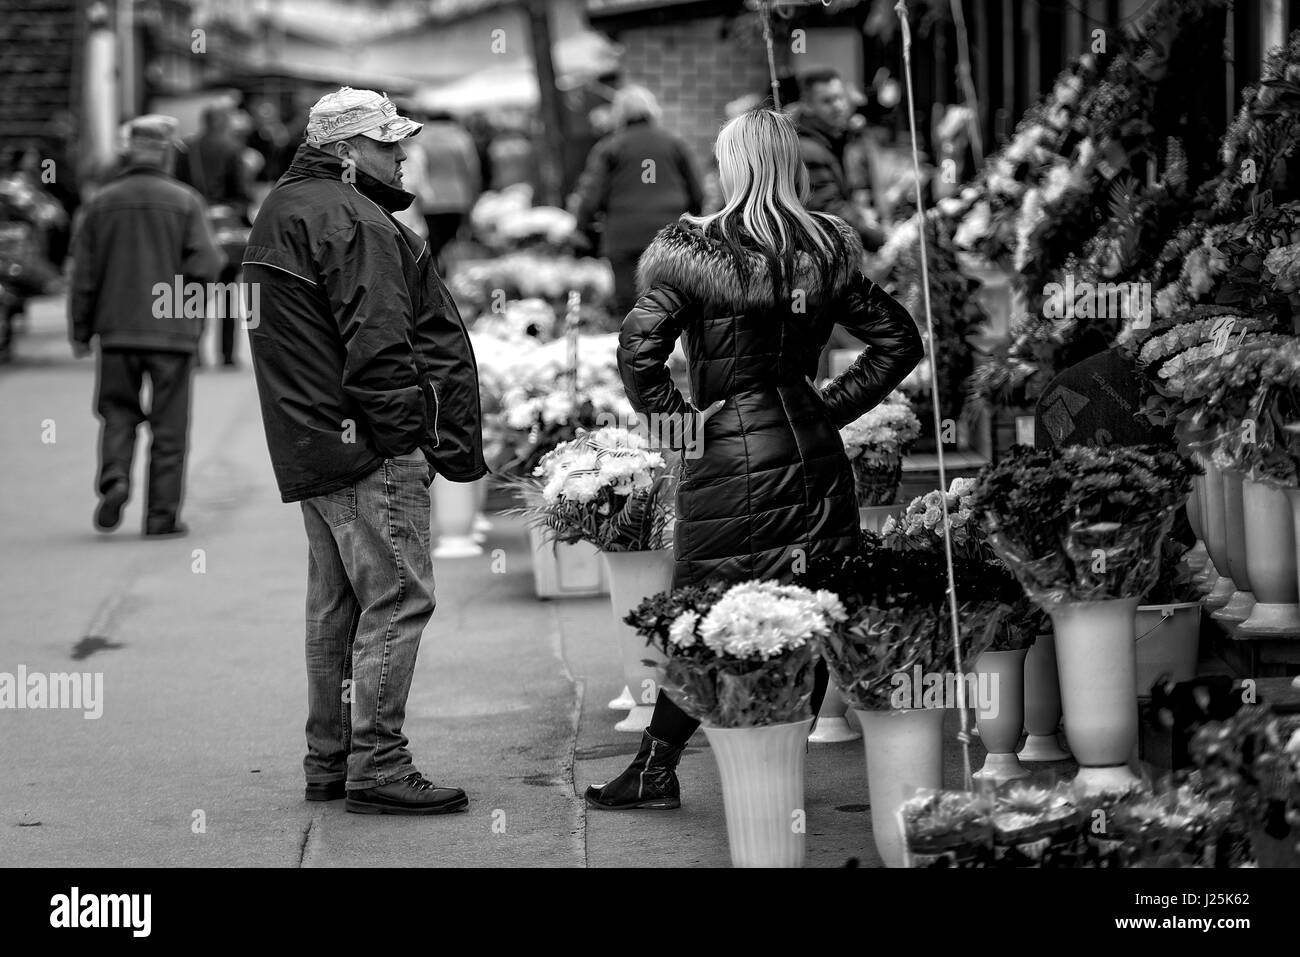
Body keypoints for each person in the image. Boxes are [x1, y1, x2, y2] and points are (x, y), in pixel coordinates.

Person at [585, 107, 924, 810]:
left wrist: (679, 428)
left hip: (725, 452)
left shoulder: (698, 253)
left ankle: (658, 766)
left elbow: (638, 346)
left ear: (730, 164)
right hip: (810, 450)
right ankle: (776, 769)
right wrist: (826, 408)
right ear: (790, 163)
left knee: (705, 607)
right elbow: (899, 341)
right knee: (807, 606)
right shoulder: (824, 249)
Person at [243, 87, 488, 815]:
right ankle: (378, 762)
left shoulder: (289, 207)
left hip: (316, 441)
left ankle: (333, 758)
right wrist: (403, 437)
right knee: (397, 597)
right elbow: (379, 346)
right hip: (362, 446)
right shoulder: (351, 218)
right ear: (347, 152)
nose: (403, 152)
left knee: (338, 607)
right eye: (388, 143)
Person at [68, 114, 225, 536]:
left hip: (116, 331)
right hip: (171, 333)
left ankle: (115, 477)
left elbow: (83, 274)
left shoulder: (100, 203)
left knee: (117, 411)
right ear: (165, 156)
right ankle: (160, 516)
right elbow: (207, 266)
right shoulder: (186, 201)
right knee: (169, 428)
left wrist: (81, 330)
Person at [571, 85, 704, 318]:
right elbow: (698, 192)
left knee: (630, 308)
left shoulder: (609, 147)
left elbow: (590, 195)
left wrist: (581, 229)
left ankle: (633, 352)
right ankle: (675, 353)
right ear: (652, 110)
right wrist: (694, 224)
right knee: (672, 303)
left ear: (619, 114)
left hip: (624, 237)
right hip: (669, 236)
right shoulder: (675, 143)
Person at [175, 105, 253, 367]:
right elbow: (242, 194)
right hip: (225, 231)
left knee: (195, 290)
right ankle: (227, 354)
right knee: (229, 293)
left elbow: (177, 187)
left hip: (194, 229)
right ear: (222, 123)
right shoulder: (233, 150)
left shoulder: (186, 149)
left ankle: (195, 351)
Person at [792, 67, 884, 252]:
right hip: (818, 254)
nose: (838, 106)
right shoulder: (807, 149)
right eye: (827, 101)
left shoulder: (834, 138)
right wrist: (876, 236)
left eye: (840, 97)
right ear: (808, 106)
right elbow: (829, 211)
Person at [410, 110, 480, 270]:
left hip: (430, 199)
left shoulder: (421, 137)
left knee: (433, 241)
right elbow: (472, 170)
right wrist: (474, 197)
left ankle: (435, 275)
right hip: (457, 196)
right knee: (452, 240)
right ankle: (449, 275)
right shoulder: (461, 137)